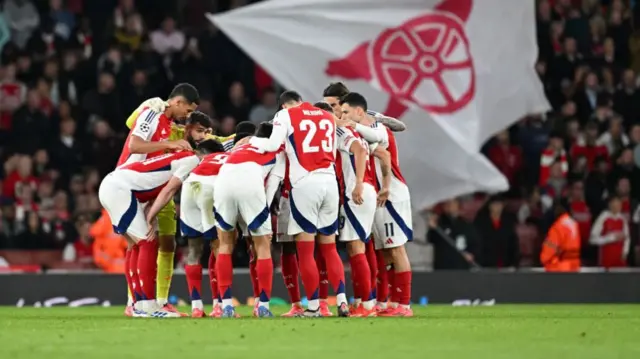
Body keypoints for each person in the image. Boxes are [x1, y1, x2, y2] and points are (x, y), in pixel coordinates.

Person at [249, 91, 348, 317]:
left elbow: (273, 144)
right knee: (330, 247)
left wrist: (253, 140)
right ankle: (342, 301)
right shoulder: (325, 115)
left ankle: (313, 307)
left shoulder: (286, 115)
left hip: (305, 182)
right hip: (329, 181)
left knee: (305, 250)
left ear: (284, 105)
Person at [99, 139, 221, 317]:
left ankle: (138, 303)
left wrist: (151, 213)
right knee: (148, 243)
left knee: (135, 245)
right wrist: (150, 217)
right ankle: (149, 306)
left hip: (116, 186)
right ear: (207, 155)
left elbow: (151, 186)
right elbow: (169, 190)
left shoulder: (179, 158)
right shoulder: (192, 160)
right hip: (120, 189)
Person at [118, 84, 200, 317]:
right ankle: (137, 302)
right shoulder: (152, 112)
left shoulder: (168, 124)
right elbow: (134, 140)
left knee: (149, 243)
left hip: (150, 187)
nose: (188, 116)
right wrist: (169, 143)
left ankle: (148, 302)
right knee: (142, 243)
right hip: (131, 183)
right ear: (178, 102)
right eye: (188, 110)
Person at [338, 92, 413, 317]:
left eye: (346, 112)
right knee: (385, 252)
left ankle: (404, 305)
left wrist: (387, 186)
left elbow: (385, 156)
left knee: (396, 249)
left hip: (392, 196)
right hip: (379, 196)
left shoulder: (379, 129)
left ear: (359, 112)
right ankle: (390, 302)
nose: (344, 116)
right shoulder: (362, 135)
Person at [214, 122, 286, 318]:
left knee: (225, 245)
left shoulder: (244, 143)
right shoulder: (279, 151)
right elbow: (272, 185)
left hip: (223, 181)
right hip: (250, 182)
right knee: (262, 245)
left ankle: (226, 306)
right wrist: (264, 216)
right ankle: (263, 306)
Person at [334, 102, 380, 317]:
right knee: (356, 248)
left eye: (344, 111)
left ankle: (368, 305)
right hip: (364, 190)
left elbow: (360, 151)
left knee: (356, 247)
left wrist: (358, 183)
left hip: (358, 191)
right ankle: (364, 300)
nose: (341, 116)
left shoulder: (343, 131)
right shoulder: (358, 133)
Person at [589, 195, 630, 268]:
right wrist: (610, 238)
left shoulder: (623, 219)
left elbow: (627, 237)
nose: (617, 207)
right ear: (610, 205)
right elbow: (592, 240)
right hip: (606, 260)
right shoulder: (603, 217)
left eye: (619, 205)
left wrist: (625, 252)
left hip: (620, 260)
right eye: (614, 205)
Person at [540, 200, 581, 272]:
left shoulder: (557, 227)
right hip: (575, 268)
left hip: (560, 270)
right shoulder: (574, 224)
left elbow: (546, 255)